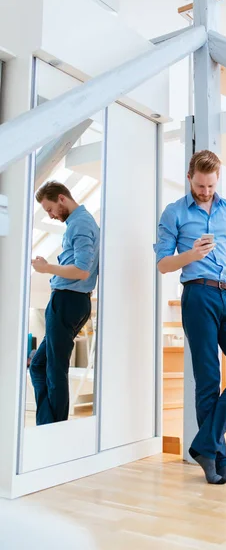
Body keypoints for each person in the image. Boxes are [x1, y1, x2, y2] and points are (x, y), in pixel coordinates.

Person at [154, 150, 226, 485]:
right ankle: (220, 461)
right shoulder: (174, 213)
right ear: (190, 178)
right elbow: (162, 264)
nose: (205, 191)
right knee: (208, 380)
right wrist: (191, 254)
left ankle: (203, 445)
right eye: (200, 185)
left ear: (218, 179)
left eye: (211, 185)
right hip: (198, 294)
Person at [30, 181, 100, 426]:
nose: (50, 215)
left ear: (61, 198)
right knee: (39, 365)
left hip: (68, 300)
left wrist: (46, 268)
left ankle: (53, 430)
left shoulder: (80, 224)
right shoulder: (78, 223)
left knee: (54, 370)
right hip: (69, 301)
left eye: (50, 209)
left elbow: (82, 270)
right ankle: (48, 424)